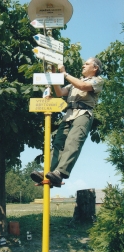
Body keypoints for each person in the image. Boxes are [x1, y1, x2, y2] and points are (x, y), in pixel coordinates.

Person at [31, 57, 104, 187]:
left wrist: (64, 74)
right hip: (68, 115)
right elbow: (60, 93)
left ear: (95, 68)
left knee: (73, 142)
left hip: (83, 114)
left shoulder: (97, 80)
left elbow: (83, 86)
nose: (83, 66)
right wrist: (54, 76)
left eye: (86, 64)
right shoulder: (74, 82)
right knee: (58, 143)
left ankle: (60, 172)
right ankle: (48, 171)